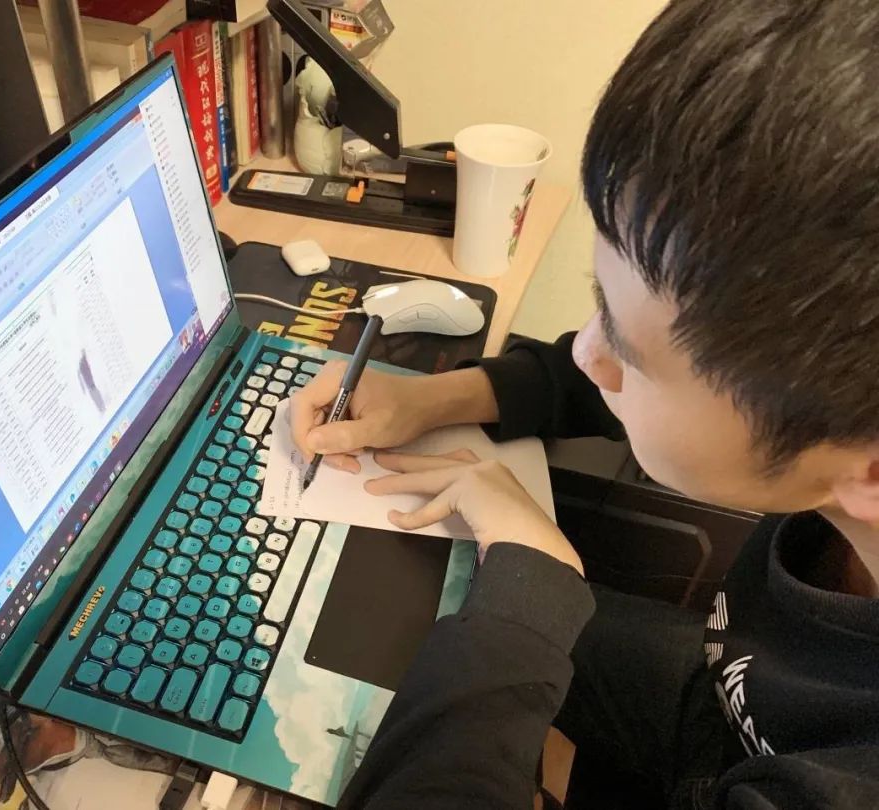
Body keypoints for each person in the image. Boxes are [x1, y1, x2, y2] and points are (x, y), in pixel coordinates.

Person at [290, 1, 879, 807]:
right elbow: (667, 385)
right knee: (419, 623)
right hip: (717, 701)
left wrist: (533, 589)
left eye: (627, 349)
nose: (584, 352)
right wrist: (436, 398)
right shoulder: (845, 411)